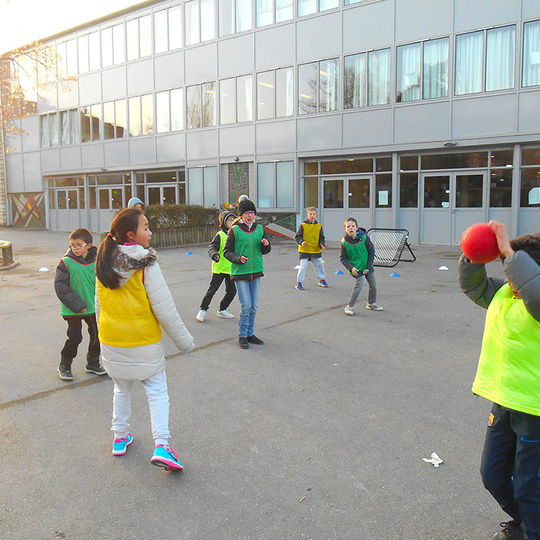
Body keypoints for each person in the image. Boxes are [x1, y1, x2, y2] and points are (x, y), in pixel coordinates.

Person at [95, 208, 194, 471]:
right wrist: (185, 342)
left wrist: (102, 338)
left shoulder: (103, 261)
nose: (150, 232)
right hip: (143, 341)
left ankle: (119, 437)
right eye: (146, 228)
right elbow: (165, 308)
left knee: (121, 388)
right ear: (131, 234)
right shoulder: (146, 263)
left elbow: (99, 306)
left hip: (112, 339)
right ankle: (162, 445)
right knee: (157, 391)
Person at [458, 221, 540, 540]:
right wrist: (474, 254)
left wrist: (509, 254)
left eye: (514, 272)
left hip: (534, 412)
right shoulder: (505, 293)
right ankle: (528, 523)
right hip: (504, 402)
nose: (511, 282)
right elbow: (474, 287)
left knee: (530, 487)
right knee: (492, 475)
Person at [54, 227, 106, 381]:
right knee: (75, 337)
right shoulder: (66, 262)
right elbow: (61, 287)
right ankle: (64, 365)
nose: (74, 248)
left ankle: (93, 363)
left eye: (78, 245)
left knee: (97, 336)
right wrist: (77, 304)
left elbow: (104, 280)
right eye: (72, 245)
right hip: (73, 309)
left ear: (88, 245)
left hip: (93, 307)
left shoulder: (97, 261)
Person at [223, 198, 271, 349]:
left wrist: (266, 245)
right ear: (241, 215)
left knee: (254, 307)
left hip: (256, 271)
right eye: (247, 213)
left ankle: (250, 334)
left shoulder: (260, 229)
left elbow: (266, 250)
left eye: (252, 212)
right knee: (246, 306)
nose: (250, 216)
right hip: (240, 272)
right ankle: (242, 335)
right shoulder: (234, 230)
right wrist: (238, 258)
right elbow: (226, 252)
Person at [196, 211, 237, 322]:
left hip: (231, 269)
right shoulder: (220, 235)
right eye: (229, 220)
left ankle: (222, 310)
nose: (232, 222)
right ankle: (202, 310)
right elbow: (212, 248)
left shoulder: (235, 234)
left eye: (234, 219)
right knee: (212, 290)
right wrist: (214, 255)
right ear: (224, 223)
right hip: (219, 269)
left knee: (232, 291)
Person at [339, 217, 383, 316]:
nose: (350, 228)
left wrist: (368, 266)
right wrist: (351, 268)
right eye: (348, 227)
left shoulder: (365, 237)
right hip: (356, 267)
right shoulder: (344, 242)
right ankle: (349, 307)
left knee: (373, 286)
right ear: (345, 229)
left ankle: (371, 303)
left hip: (367, 265)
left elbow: (371, 251)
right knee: (359, 285)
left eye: (352, 226)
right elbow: (343, 258)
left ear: (357, 228)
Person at [294, 206, 328, 290]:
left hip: (315, 250)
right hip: (304, 250)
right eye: (310, 214)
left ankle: (321, 279)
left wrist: (322, 244)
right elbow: (298, 236)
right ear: (307, 215)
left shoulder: (319, 226)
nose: (312, 216)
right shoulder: (302, 226)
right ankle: (299, 282)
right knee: (303, 266)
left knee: (319, 264)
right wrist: (301, 242)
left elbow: (321, 237)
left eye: (313, 214)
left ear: (316, 215)